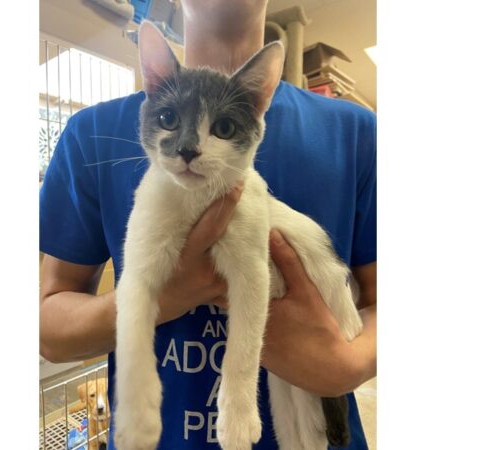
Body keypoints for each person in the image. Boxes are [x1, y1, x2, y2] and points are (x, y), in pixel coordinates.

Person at [39, 0, 376, 448]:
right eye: (170, 118)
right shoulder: (90, 135)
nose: (189, 149)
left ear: (258, 106)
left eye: (220, 127)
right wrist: (165, 292)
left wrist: (346, 364)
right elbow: (48, 328)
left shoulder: (358, 132)